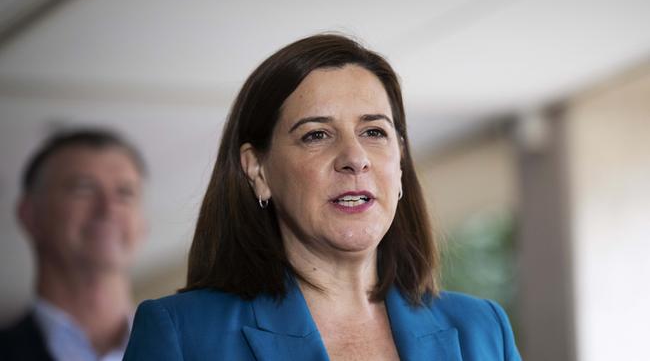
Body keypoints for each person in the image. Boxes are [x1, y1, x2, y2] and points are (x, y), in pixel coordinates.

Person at [123, 34, 521, 360]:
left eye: (374, 132)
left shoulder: (482, 329)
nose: (354, 158)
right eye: (316, 134)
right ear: (258, 171)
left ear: (400, 162)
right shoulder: (182, 334)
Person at [0, 129, 148, 361]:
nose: (108, 209)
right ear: (29, 215)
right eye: (83, 188)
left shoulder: (194, 352)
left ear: (143, 225)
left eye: (125, 193)